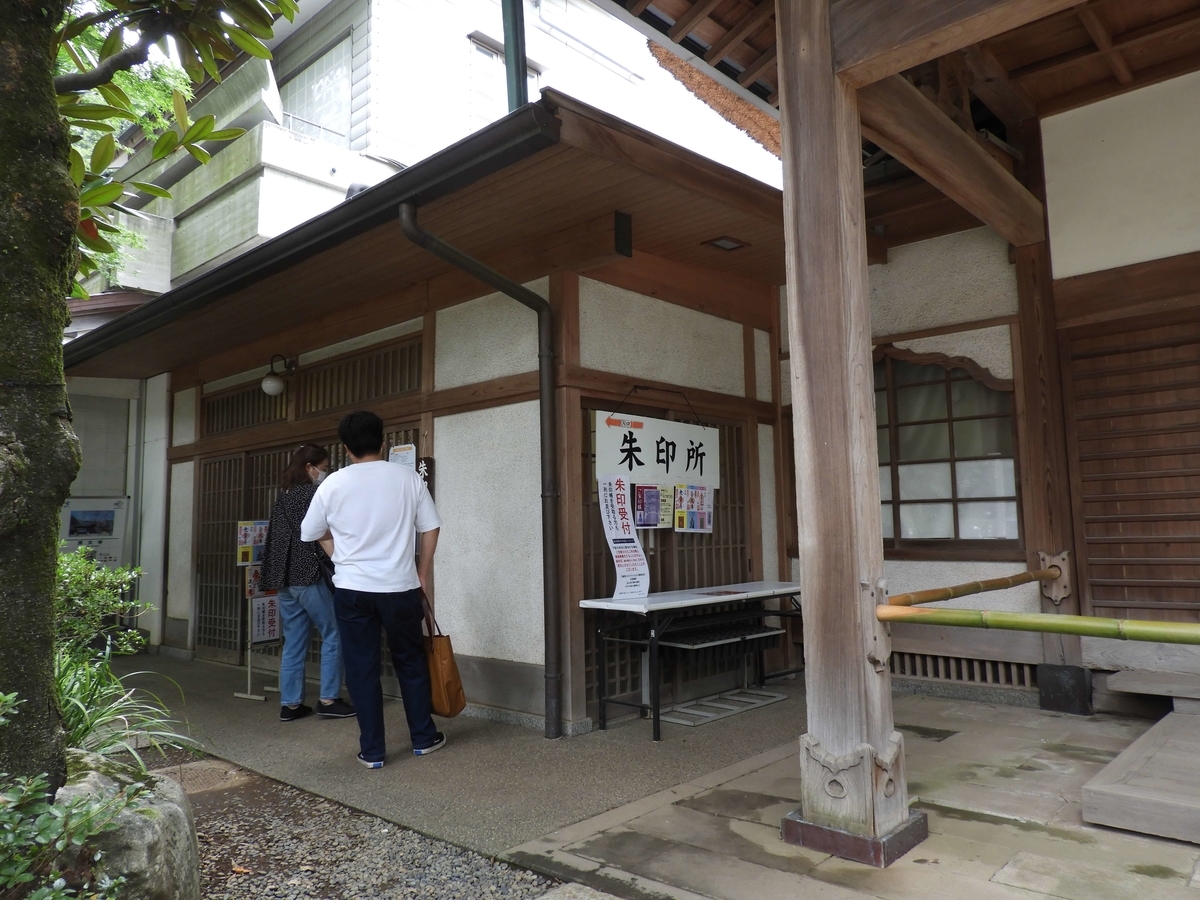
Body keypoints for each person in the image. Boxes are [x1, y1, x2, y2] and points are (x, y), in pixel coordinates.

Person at [301, 411, 444, 768]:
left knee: (362, 668)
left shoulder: (332, 484)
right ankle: (424, 738)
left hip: (352, 590)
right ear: (383, 442)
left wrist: (340, 559)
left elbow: (312, 531)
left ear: (345, 448)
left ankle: (373, 751)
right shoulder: (408, 478)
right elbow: (431, 527)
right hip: (400, 586)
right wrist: (422, 571)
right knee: (410, 662)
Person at [259, 444, 356, 722]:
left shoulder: (285, 496)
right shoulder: (313, 494)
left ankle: (290, 705)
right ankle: (329, 698)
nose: (324, 473)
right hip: (308, 575)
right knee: (334, 631)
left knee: (294, 640)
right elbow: (322, 533)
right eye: (323, 468)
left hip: (284, 579)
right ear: (309, 467)